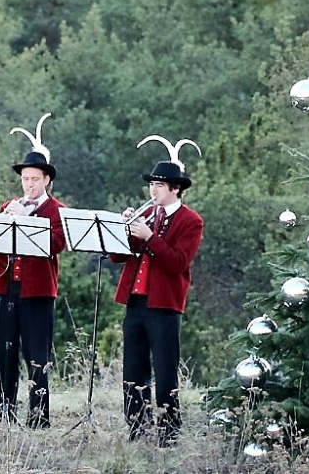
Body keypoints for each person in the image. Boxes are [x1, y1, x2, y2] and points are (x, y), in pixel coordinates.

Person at [112, 158, 203, 448]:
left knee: (165, 371)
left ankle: (169, 433)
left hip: (164, 305)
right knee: (133, 369)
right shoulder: (148, 215)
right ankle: (137, 429)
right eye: (152, 184)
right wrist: (123, 229)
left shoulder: (190, 221)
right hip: (135, 302)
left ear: (175, 189)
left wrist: (150, 237)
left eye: (159, 185)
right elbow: (117, 257)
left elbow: (177, 263)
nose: (153, 191)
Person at [0, 140, 67, 429]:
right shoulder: (8, 206)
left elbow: (57, 244)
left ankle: (39, 418)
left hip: (38, 291)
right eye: (25, 179)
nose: (29, 185)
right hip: (6, 287)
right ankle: (3, 413)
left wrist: (28, 219)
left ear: (46, 180)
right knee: (4, 353)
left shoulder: (57, 210)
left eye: (34, 179)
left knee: (36, 355)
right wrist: (0, 224)